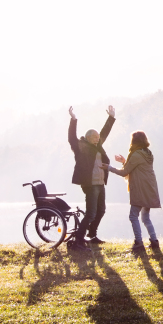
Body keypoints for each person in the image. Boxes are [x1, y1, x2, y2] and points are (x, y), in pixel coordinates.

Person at [67, 104, 116, 251]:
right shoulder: (80, 146)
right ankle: (78, 241)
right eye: (94, 137)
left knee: (101, 211)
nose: (98, 138)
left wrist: (111, 118)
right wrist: (73, 120)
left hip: (100, 183)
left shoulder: (98, 145)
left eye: (98, 137)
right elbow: (71, 137)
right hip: (90, 184)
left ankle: (92, 235)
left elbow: (104, 132)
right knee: (90, 213)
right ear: (88, 138)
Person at [107, 130, 161, 255]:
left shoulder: (136, 154)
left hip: (140, 189)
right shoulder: (147, 153)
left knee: (133, 216)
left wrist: (109, 168)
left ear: (134, 141)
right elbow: (134, 167)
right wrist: (124, 161)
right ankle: (154, 242)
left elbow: (124, 172)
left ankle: (138, 243)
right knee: (146, 217)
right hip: (149, 188)